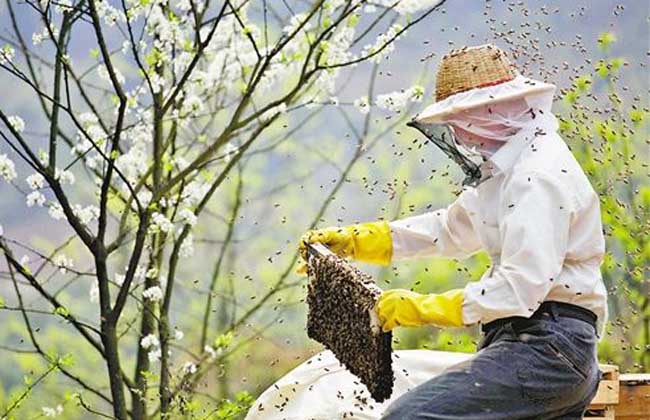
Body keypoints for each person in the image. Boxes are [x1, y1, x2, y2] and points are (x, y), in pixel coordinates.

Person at [297, 44, 608, 419]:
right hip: (536, 348)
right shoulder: (510, 172)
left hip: (545, 349)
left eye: (462, 119)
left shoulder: (535, 177)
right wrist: (359, 241)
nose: (460, 135)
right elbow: (449, 230)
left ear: (488, 112)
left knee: (407, 418)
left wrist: (419, 308)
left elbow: (518, 290)